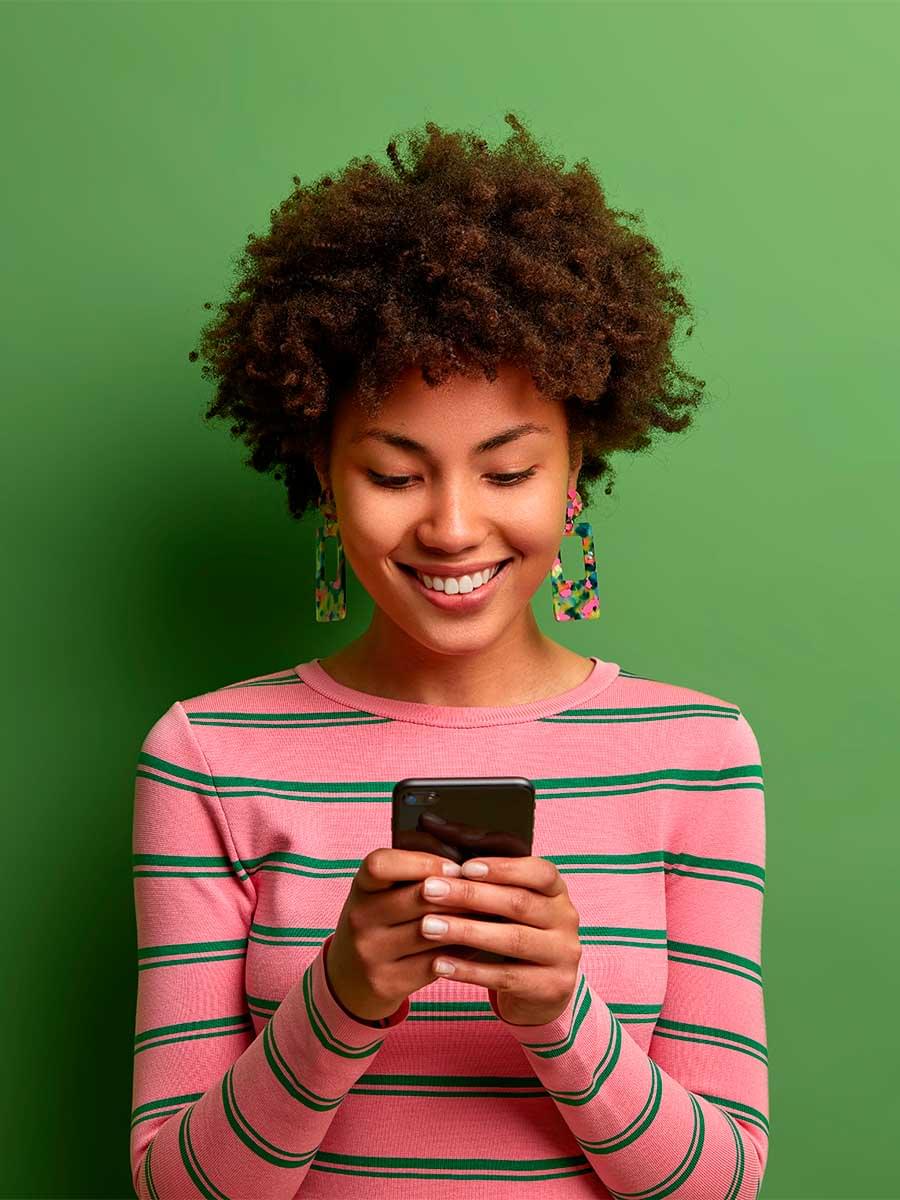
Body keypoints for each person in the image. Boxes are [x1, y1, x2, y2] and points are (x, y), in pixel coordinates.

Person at [130, 114, 768, 1198]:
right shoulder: (206, 755)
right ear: (322, 479)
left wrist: (563, 1017)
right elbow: (175, 1189)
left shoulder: (696, 754)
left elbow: (724, 1185)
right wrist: (337, 1001)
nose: (454, 526)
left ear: (576, 475)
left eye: (509, 471)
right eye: (395, 473)